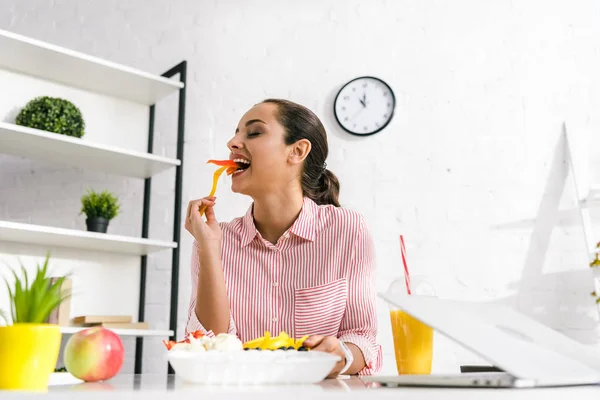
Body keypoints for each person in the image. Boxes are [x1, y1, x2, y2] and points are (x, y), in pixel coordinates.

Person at [184, 98, 382, 377]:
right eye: (236, 133)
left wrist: (341, 355)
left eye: (253, 132)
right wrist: (209, 249)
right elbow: (210, 346)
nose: (232, 142)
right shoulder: (214, 238)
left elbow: (363, 338)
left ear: (297, 151)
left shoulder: (347, 230)